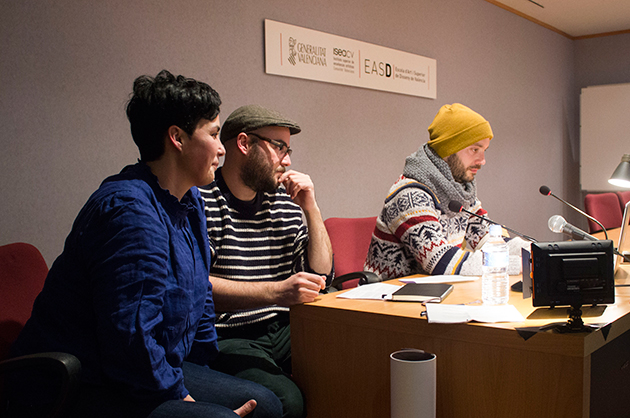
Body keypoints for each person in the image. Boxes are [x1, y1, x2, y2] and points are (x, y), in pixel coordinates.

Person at [10, 71, 282, 418]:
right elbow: (130, 337)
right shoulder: (129, 211)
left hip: (143, 365)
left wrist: (203, 373)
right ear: (177, 137)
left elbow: (200, 297)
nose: (220, 149)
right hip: (85, 380)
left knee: (266, 406)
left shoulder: (189, 200)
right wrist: (182, 399)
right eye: (214, 134)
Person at [198, 104, 334, 418]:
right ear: (244, 143)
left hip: (286, 326)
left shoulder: (284, 203)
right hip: (229, 333)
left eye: (289, 150)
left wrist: (311, 208)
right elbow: (198, 288)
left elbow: (322, 273)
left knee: (351, 365)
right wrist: (277, 292)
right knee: (287, 400)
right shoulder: (203, 201)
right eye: (279, 147)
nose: (287, 161)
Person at [364, 103, 527, 279]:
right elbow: (442, 262)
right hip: (388, 294)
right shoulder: (410, 195)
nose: (482, 160)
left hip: (430, 291)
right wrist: (520, 264)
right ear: (449, 149)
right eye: (474, 149)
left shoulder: (460, 192)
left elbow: (489, 240)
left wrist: (535, 252)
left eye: (484, 151)